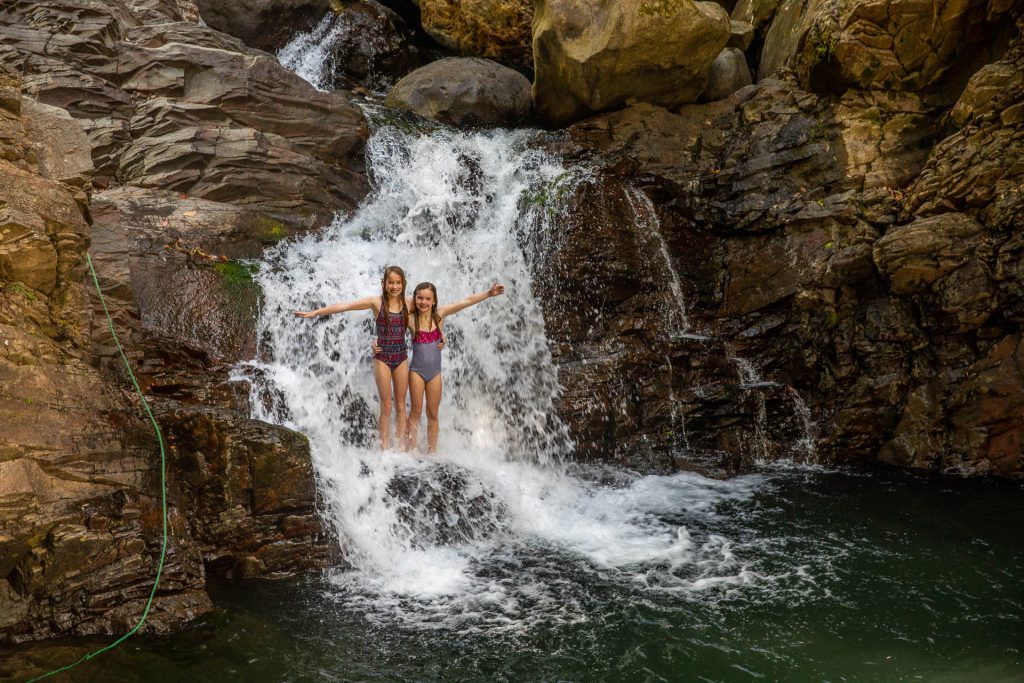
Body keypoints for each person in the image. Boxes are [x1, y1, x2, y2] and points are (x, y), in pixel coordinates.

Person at [294, 266, 411, 450]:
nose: (394, 286)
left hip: (401, 357)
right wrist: (315, 312)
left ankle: (402, 448)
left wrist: (439, 339)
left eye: (398, 283)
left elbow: (430, 314)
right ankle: (384, 450)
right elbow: (346, 306)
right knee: (387, 406)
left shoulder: (409, 303)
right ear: (384, 283)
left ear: (403, 284)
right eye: (391, 282)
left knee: (401, 406)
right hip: (382, 357)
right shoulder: (377, 302)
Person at [401, 281, 505, 454]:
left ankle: (432, 451)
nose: (423, 302)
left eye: (428, 299)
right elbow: (395, 307)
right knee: (416, 411)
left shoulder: (439, 316)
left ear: (434, 301)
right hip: (416, 372)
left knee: (433, 413)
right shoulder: (411, 320)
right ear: (414, 299)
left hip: (434, 374)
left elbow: (465, 302)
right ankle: (411, 450)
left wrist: (488, 293)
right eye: (419, 298)